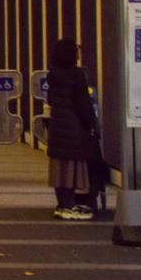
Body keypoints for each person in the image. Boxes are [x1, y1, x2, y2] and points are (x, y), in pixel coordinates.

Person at [45, 38, 101, 221]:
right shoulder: (76, 75)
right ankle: (70, 206)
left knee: (59, 167)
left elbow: (51, 100)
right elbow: (83, 104)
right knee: (71, 168)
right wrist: (92, 124)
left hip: (57, 126)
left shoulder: (53, 74)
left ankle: (61, 204)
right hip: (73, 127)